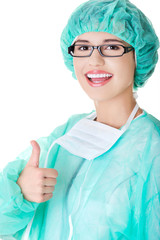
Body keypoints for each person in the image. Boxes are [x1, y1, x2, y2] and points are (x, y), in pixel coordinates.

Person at [0, 0, 160, 239]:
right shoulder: (66, 135)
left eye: (112, 47)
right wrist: (20, 195)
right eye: (83, 48)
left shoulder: (153, 148)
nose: (94, 61)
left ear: (138, 56)